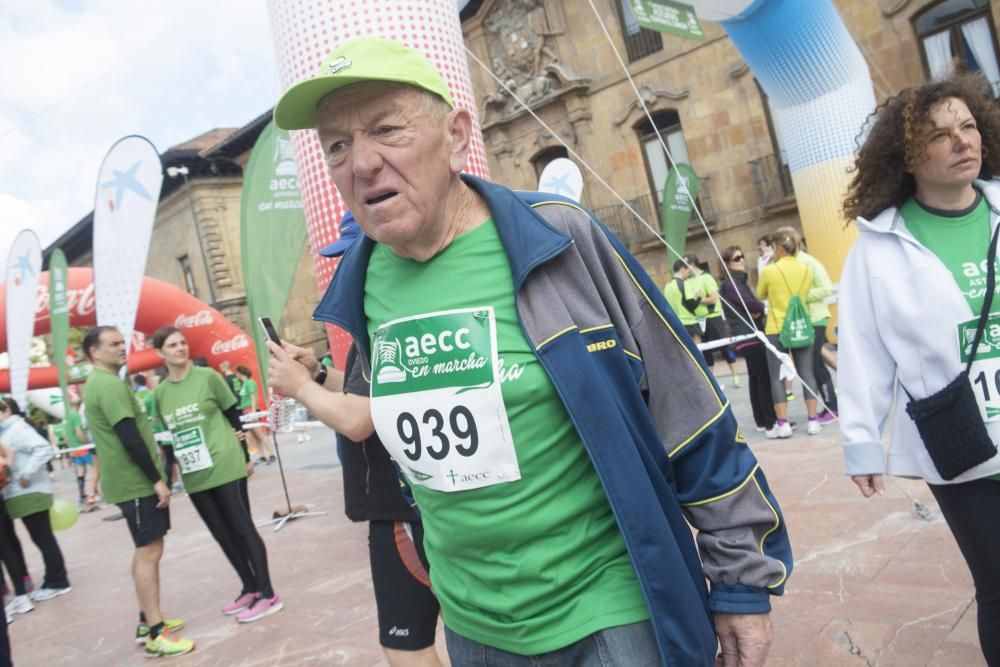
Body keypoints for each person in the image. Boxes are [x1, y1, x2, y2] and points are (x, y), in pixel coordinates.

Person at [270, 36, 791, 666]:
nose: (362, 162)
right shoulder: (363, 282)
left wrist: (739, 583)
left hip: (609, 612)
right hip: (474, 628)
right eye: (338, 145)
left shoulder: (558, 238)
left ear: (457, 134)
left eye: (387, 129)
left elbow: (691, 413)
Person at [839, 72, 1000, 665]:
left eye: (968, 126)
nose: (962, 141)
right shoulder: (880, 246)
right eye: (940, 135)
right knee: (998, 584)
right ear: (909, 154)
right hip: (961, 443)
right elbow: (861, 351)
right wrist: (861, 443)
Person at [270, 213, 443, 666]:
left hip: (404, 508)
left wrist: (299, 387)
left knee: (406, 647)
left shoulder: (386, 321)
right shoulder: (399, 313)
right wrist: (319, 374)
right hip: (418, 501)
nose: (344, 267)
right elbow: (373, 393)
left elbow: (358, 420)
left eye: (352, 255)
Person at [151, 327, 282, 623]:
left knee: (241, 527)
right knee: (221, 534)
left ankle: (268, 593)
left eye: (183, 342)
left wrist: (245, 456)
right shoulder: (159, 394)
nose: (180, 348)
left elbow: (233, 414)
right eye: (172, 345)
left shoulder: (208, 377)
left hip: (224, 463)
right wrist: (167, 475)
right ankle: (249, 587)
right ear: (161, 353)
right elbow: (170, 437)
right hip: (194, 473)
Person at [81, 325, 194, 657]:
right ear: (94, 352)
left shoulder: (98, 383)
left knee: (144, 549)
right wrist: (156, 480)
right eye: (113, 344)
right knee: (150, 552)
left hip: (128, 482)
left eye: (121, 342)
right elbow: (129, 436)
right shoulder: (107, 385)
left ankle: (148, 620)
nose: (121, 347)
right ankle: (156, 633)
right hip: (135, 482)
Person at [0, 398, 71, 609]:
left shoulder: (17, 428)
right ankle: (55, 579)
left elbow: (43, 448)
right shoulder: (8, 430)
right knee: (39, 537)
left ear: (5, 410)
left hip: (30, 490)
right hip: (22, 492)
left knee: (42, 537)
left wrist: (25, 473)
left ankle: (58, 580)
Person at [756, 229, 821, 438]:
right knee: (807, 373)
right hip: (802, 325)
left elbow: (760, 294)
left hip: (777, 327)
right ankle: (813, 421)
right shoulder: (806, 269)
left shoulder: (770, 271)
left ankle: (782, 424)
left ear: (779, 248)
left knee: (776, 377)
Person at [718, 246, 776, 433]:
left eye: (742, 256)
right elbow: (748, 304)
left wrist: (756, 309)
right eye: (736, 258)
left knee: (755, 378)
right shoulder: (731, 284)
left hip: (748, 333)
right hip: (748, 334)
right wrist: (761, 307)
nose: (742, 260)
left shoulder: (736, 282)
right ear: (727, 263)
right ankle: (770, 422)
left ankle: (761, 421)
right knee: (762, 378)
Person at [235, 365, 274, 465]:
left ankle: (271, 454)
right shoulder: (244, 384)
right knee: (255, 436)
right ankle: (262, 456)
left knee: (260, 434)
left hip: (250, 410)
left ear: (240, 373)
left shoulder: (250, 382)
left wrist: (253, 411)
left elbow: (253, 396)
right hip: (245, 411)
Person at [662, 259, 702, 343]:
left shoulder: (667, 286)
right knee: (697, 349)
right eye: (688, 270)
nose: (688, 273)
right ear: (682, 269)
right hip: (689, 322)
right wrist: (699, 297)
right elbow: (692, 305)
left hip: (676, 323)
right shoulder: (684, 284)